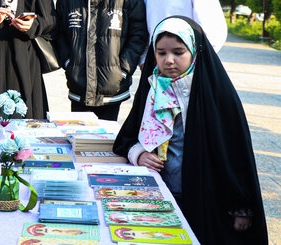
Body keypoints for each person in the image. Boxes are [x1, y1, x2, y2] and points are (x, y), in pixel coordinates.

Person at [113, 16, 268, 244]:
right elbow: (128, 136)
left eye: (178, 52)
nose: (169, 61)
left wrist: (241, 207)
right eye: (161, 53)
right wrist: (139, 154)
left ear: (195, 51)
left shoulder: (216, 94)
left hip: (206, 196)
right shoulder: (152, 87)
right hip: (159, 194)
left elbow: (236, 154)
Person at [55, 0, 148, 121]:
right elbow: (58, 34)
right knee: (79, 142)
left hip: (112, 89)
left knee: (105, 146)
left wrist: (122, 71)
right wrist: (68, 64)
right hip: (78, 87)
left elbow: (138, 35)